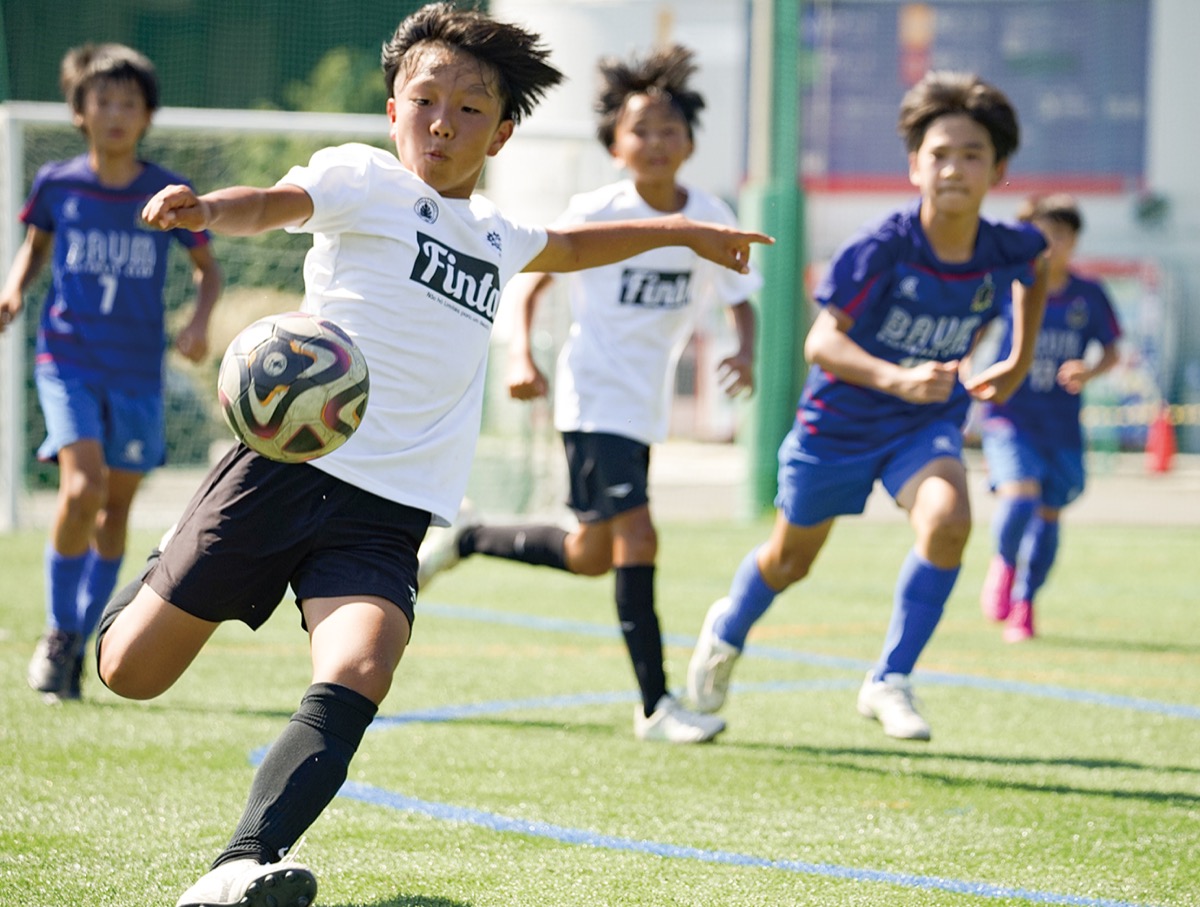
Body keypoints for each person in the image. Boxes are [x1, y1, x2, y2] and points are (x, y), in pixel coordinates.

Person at [94, 6, 771, 906]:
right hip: (285, 469)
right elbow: (274, 203)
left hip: (390, 506)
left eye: (469, 109)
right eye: (425, 101)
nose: (443, 123)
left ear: (503, 132)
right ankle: (154, 573)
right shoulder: (362, 178)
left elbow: (571, 248)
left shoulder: (496, 233)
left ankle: (237, 865)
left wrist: (684, 231)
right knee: (131, 673)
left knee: (363, 663)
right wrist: (210, 210)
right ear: (393, 111)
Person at [686, 69, 1050, 742]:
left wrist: (1019, 360)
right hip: (838, 426)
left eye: (973, 155)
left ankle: (890, 677)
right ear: (915, 166)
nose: (954, 168)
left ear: (998, 170)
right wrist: (899, 378)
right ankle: (727, 629)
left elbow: (1037, 265)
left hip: (923, 424)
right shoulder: (882, 246)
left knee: (949, 520)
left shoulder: (1007, 245)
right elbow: (821, 342)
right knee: (790, 561)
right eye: (940, 154)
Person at [416, 45, 758, 745]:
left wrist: (744, 349)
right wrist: (522, 353)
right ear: (614, 145)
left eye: (669, 130)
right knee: (639, 534)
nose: (655, 142)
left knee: (591, 553)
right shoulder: (599, 209)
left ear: (690, 142)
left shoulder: (708, 213)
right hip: (594, 393)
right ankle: (656, 705)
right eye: (640, 130)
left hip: (643, 404)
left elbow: (739, 295)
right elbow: (533, 279)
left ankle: (471, 537)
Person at [0, 43, 222, 702]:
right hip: (67, 357)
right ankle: (59, 632)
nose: (116, 114)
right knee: (82, 487)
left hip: (137, 370)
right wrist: (12, 291)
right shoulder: (58, 184)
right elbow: (35, 247)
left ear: (148, 115)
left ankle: (81, 636)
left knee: (115, 507)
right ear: (79, 111)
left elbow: (208, 271)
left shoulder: (167, 192)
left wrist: (199, 322)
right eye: (103, 101)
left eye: (130, 103)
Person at [978, 193, 1121, 642]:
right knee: (1020, 498)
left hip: (1060, 424)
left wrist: (1089, 370)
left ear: (1073, 241)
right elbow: (973, 329)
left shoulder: (1088, 295)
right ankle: (1004, 564)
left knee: (1049, 513)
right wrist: (963, 372)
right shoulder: (1009, 284)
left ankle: (1025, 604)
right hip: (1010, 414)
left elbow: (1112, 350)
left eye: (1058, 235)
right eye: (1040, 235)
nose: (1049, 244)